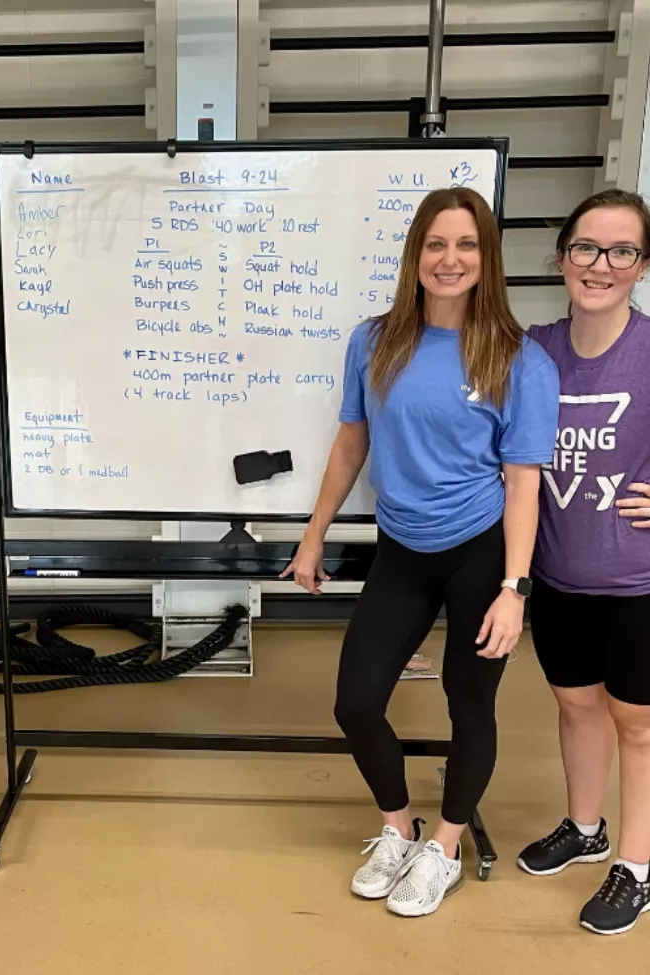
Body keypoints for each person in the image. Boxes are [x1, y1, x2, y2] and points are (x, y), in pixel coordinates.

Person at [282, 187, 559, 917]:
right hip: (400, 550)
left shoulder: (516, 359)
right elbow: (351, 442)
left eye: (465, 244)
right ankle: (396, 826)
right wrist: (313, 534)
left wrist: (514, 587)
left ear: (485, 257)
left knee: (469, 705)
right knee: (355, 701)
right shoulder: (374, 341)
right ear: (414, 253)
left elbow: (523, 481)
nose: (449, 258)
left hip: (479, 551)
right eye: (435, 243)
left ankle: (444, 846)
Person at [517, 189, 650, 936]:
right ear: (562, 256)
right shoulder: (536, 348)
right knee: (574, 705)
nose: (599, 264)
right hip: (559, 575)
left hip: (636, 580)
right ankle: (584, 825)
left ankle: (634, 866)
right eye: (585, 248)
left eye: (620, 251)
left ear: (640, 266)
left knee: (636, 721)